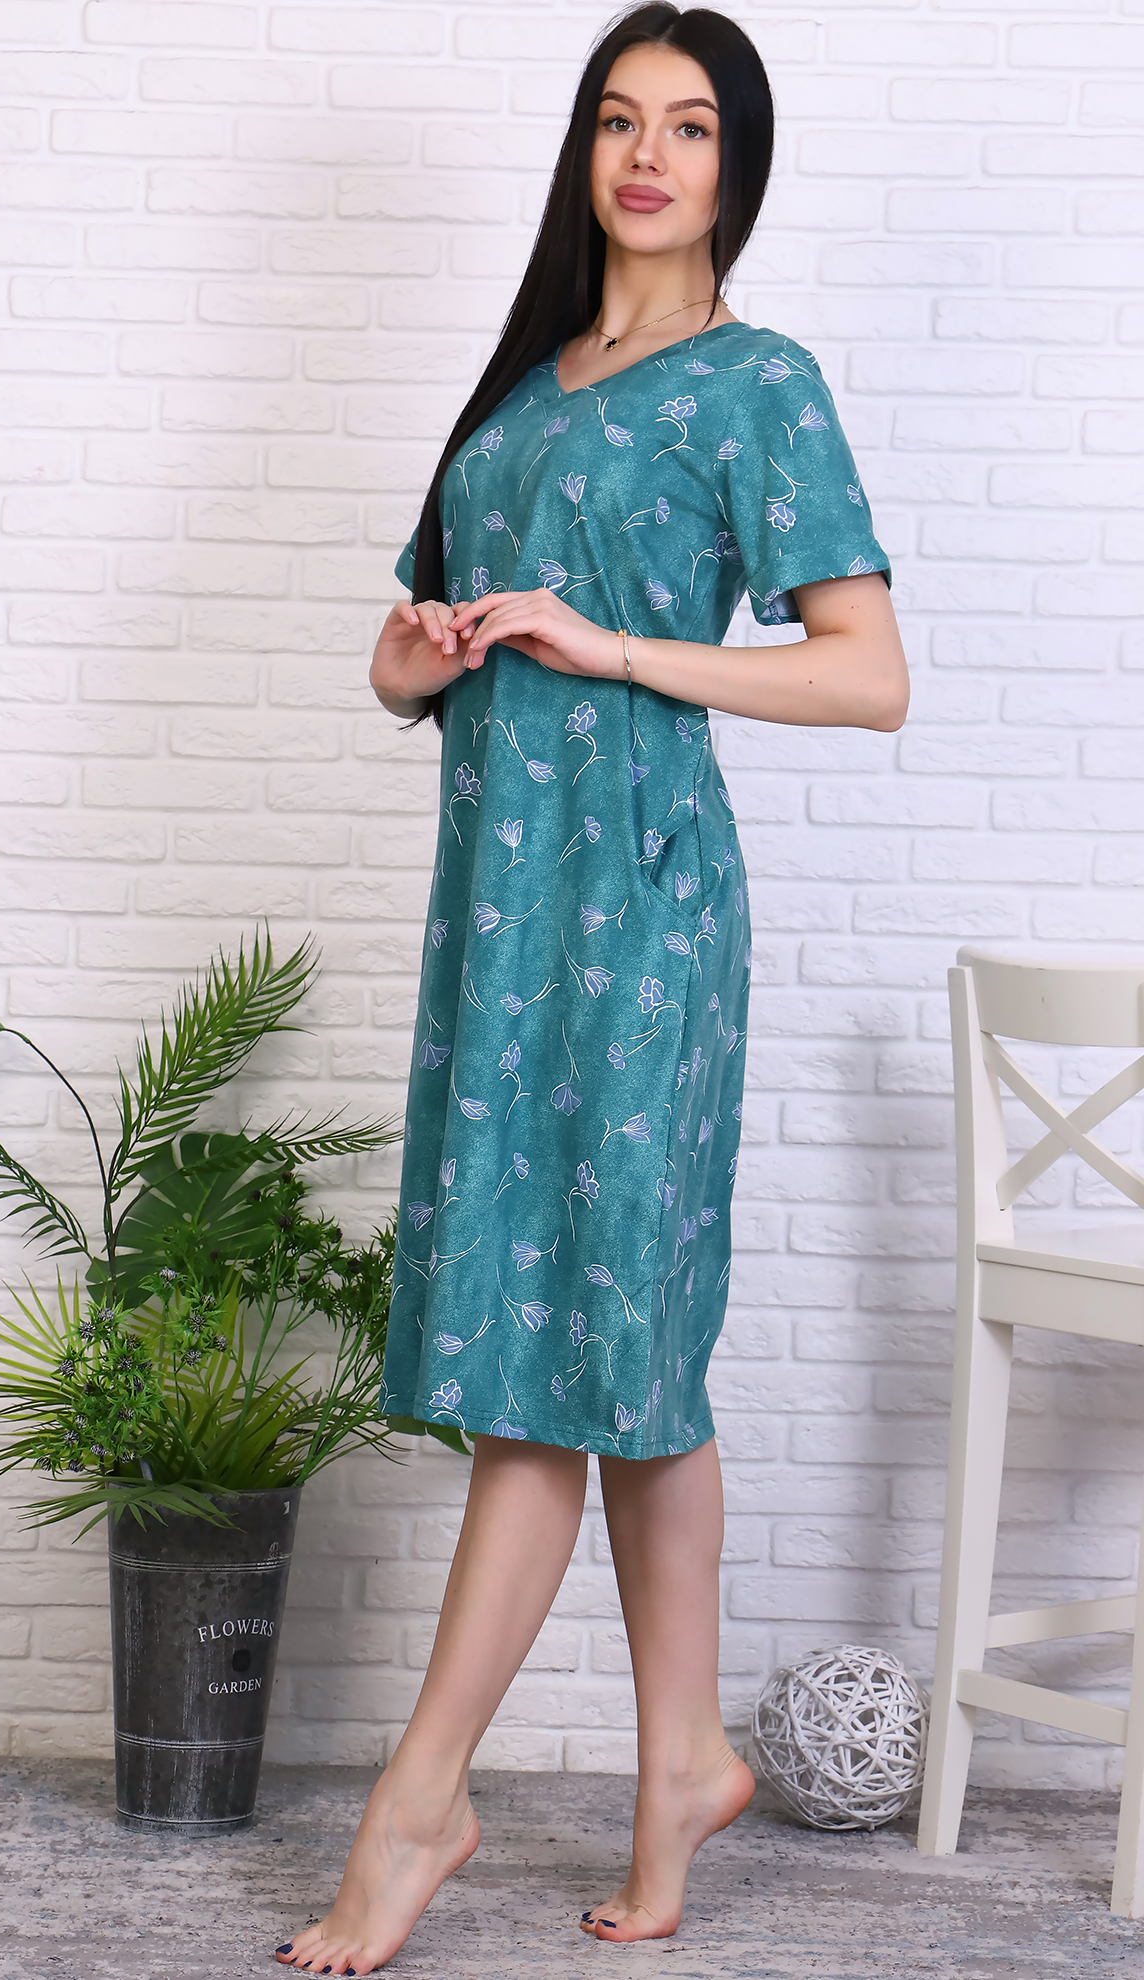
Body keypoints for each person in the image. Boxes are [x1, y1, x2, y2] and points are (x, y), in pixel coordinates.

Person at [275, 4, 907, 1972]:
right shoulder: (530, 378)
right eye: (620, 119)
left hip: (640, 912)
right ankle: (684, 1766)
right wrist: (415, 665)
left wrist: (618, 646)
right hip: (501, 915)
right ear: (585, 149)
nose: (647, 154)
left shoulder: (760, 382)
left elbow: (866, 672)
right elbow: (428, 632)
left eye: (690, 126)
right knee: (627, 1351)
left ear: (736, 165)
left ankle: (418, 1802)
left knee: (558, 1360)